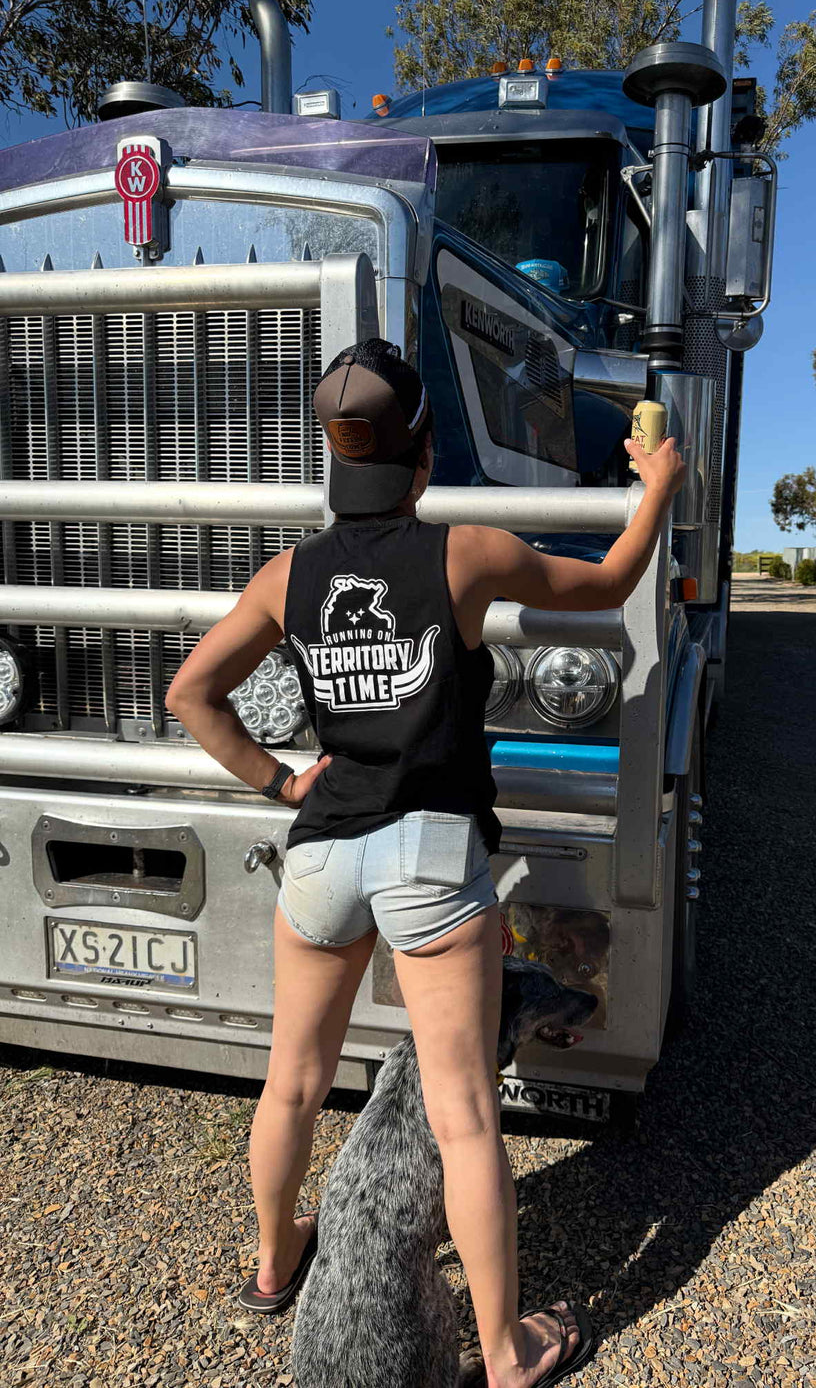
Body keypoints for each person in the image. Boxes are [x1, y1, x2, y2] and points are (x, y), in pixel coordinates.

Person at [165, 338, 685, 1388]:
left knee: (293, 1084)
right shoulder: (467, 554)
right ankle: (503, 1352)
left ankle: (274, 1268)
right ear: (423, 450)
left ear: (332, 455)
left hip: (320, 854)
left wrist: (277, 784)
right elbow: (614, 580)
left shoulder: (288, 575)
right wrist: (656, 488)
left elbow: (190, 696)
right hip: (430, 852)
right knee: (464, 1114)